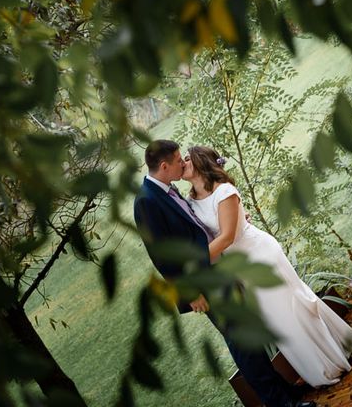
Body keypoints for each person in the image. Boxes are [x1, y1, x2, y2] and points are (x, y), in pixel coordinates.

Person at [134, 140, 316, 407]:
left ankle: (284, 391)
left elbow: (195, 226)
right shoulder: (147, 202)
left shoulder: (168, 189)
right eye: (178, 161)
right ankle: (281, 403)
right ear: (164, 166)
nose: (183, 164)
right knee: (243, 345)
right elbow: (162, 257)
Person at [183, 145, 352, 388]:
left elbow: (228, 236)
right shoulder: (190, 200)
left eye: (187, 158)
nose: (183, 162)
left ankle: (328, 364)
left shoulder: (225, 191)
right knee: (277, 320)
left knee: (290, 312)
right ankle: (336, 349)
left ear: (200, 162)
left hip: (259, 256)